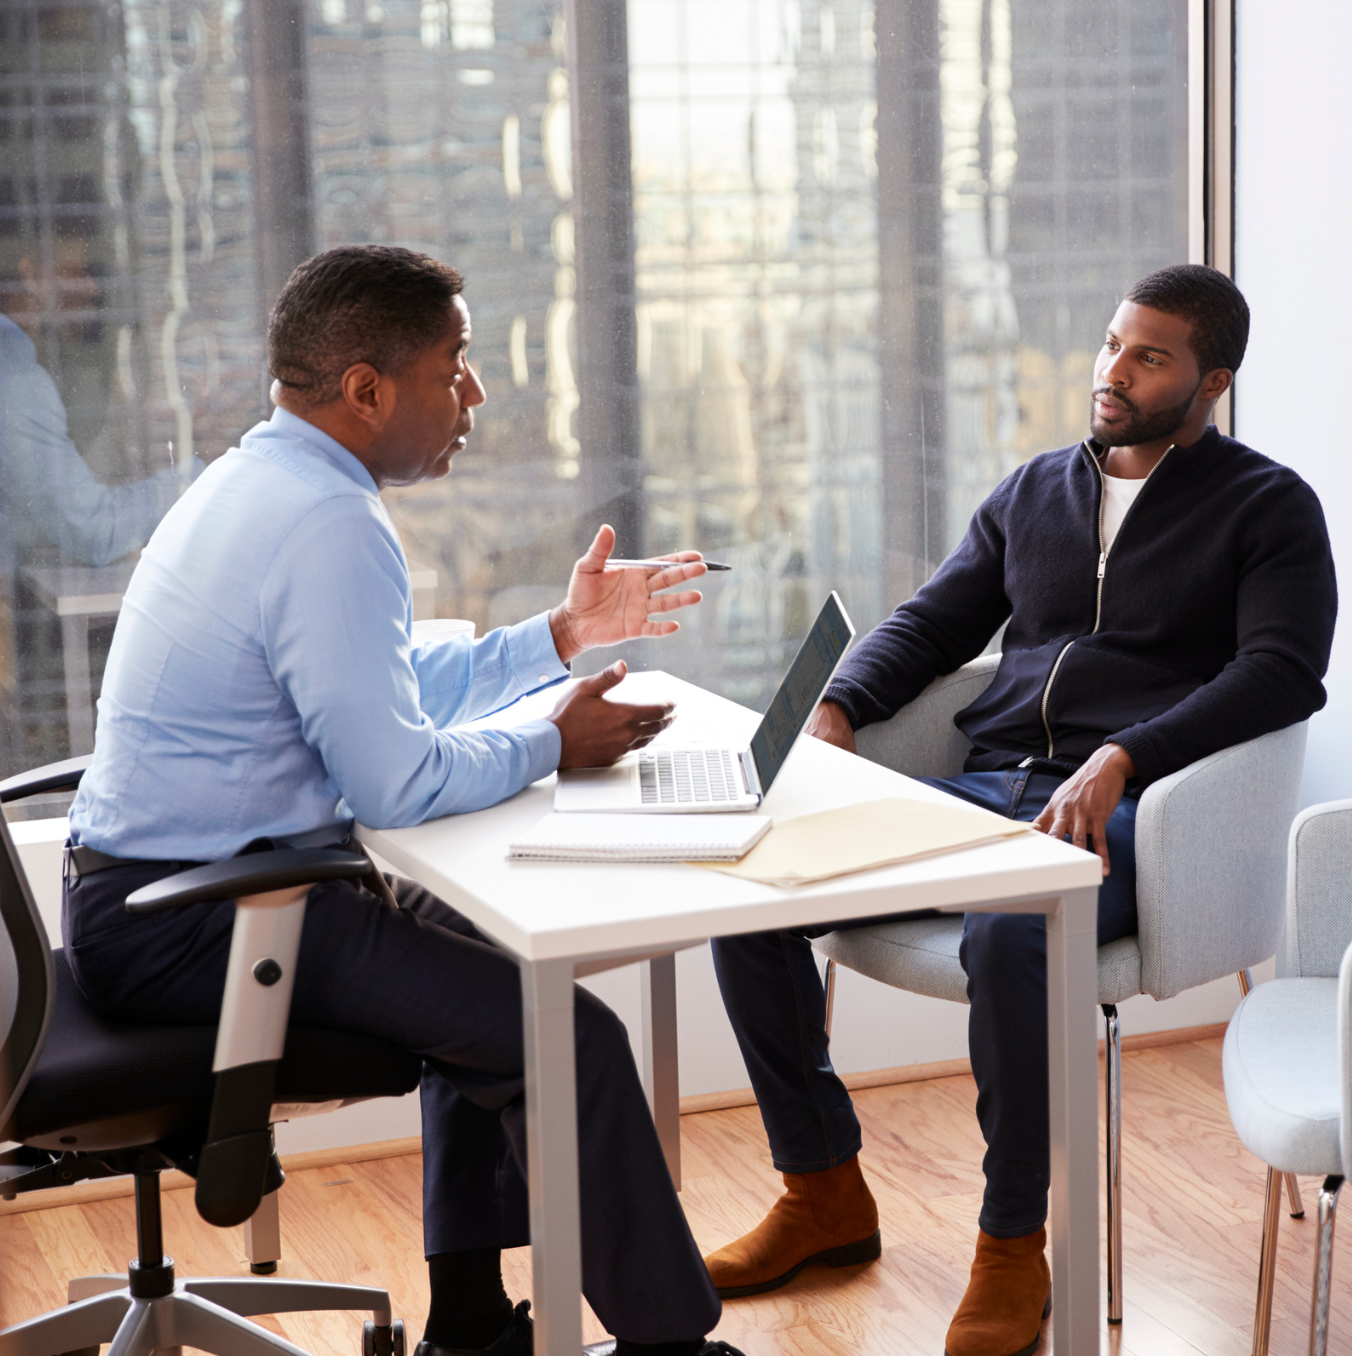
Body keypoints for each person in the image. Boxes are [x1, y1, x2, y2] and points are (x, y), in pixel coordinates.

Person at [63, 245, 743, 1356]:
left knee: (495, 972)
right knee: (563, 1032)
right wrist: (550, 742)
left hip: (165, 896)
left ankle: (472, 1328)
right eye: (454, 365)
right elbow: (398, 778)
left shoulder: (262, 480)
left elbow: (364, 696)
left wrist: (561, 639)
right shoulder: (330, 524)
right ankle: (671, 1349)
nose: (474, 393)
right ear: (367, 390)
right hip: (203, 923)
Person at [702, 264, 1337, 1356]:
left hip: (1142, 813)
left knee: (1011, 928)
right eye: (1109, 344)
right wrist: (840, 710)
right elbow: (932, 622)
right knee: (755, 889)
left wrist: (1127, 756)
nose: (1113, 371)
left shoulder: (1266, 507)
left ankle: (1009, 1245)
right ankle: (820, 1193)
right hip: (988, 782)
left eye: (1148, 357)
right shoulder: (1034, 489)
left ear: (1210, 382)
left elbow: (1280, 674)